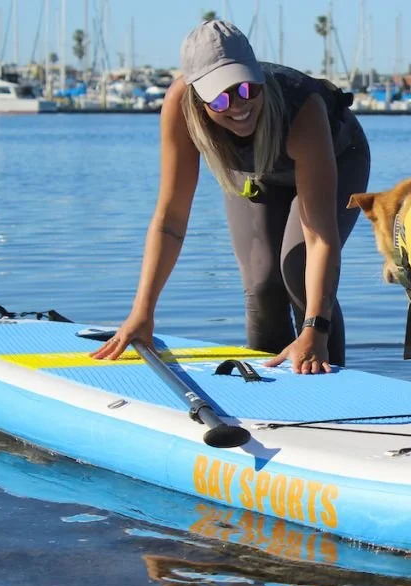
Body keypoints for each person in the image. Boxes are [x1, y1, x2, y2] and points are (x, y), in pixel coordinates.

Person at [90, 20, 370, 374]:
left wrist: (316, 329)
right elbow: (170, 221)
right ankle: (266, 378)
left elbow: (319, 238)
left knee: (297, 268)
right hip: (257, 172)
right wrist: (142, 312)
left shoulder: (303, 109)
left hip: (339, 155)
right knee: (261, 280)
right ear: (196, 94)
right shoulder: (180, 107)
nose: (239, 105)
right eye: (221, 97)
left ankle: (323, 367)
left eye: (248, 88)